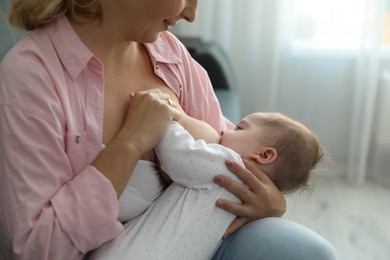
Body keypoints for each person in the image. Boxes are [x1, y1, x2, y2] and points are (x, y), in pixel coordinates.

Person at [0, 0, 337, 259]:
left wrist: (272, 201)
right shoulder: (31, 80)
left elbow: (228, 150)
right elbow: (35, 249)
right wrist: (131, 142)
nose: (191, 13)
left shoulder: (171, 56)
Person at [89, 111, 324, 259]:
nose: (225, 129)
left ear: (264, 155)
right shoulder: (248, 198)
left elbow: (176, 155)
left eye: (239, 128)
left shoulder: (228, 164)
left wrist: (167, 117)